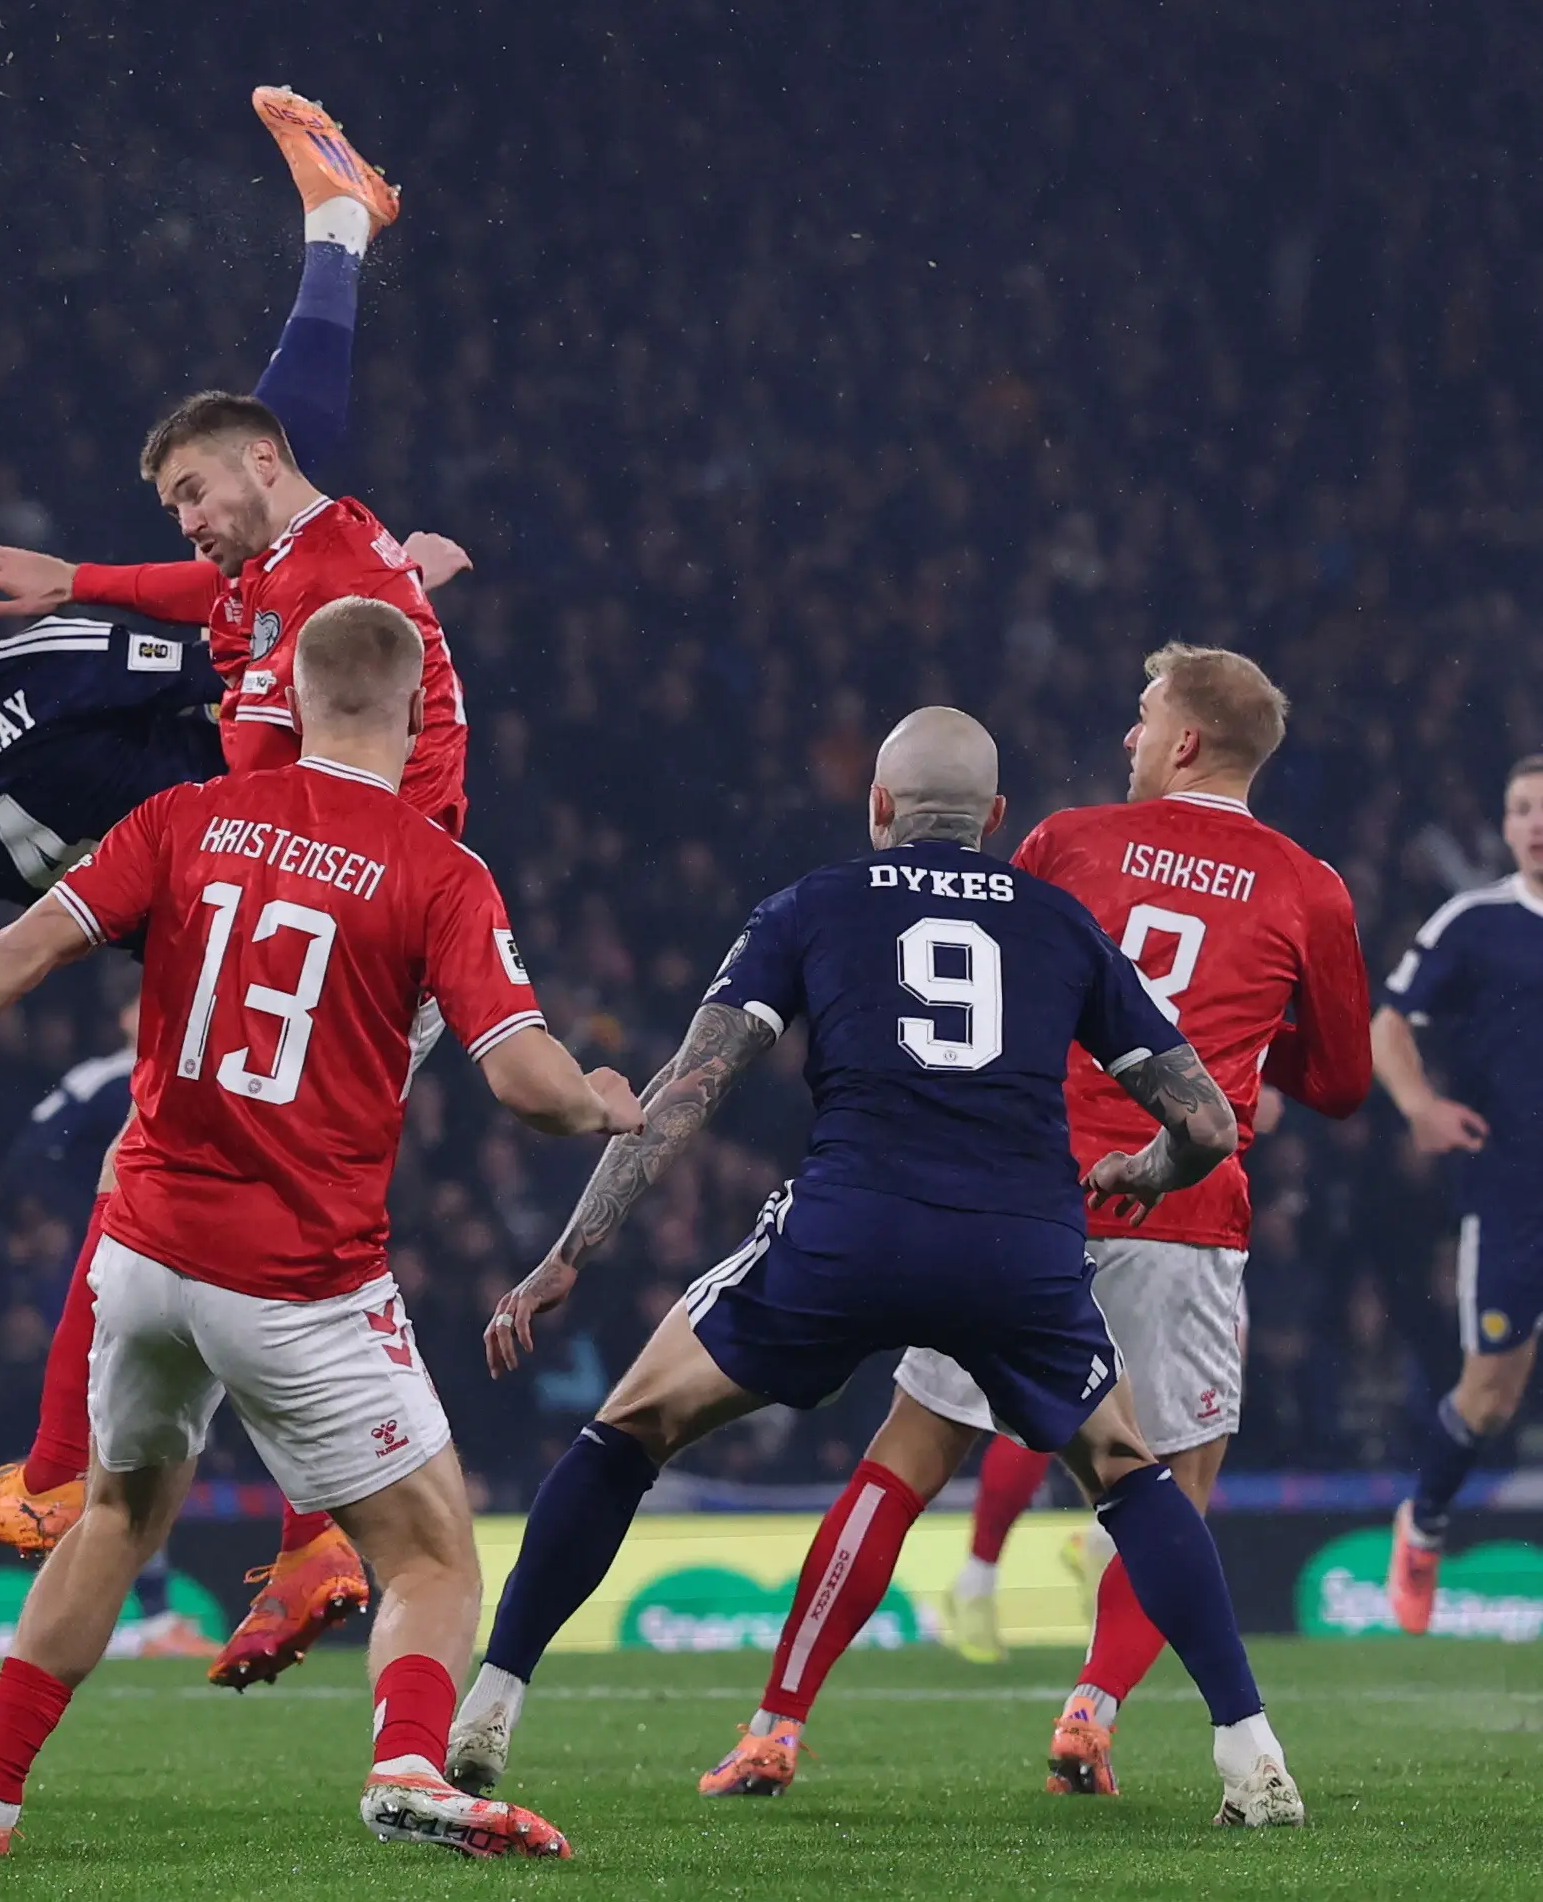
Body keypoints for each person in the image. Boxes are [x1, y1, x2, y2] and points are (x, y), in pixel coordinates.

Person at [0, 600, 641, 1860]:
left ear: (289, 694)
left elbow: (19, 950)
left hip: (143, 1254)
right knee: (432, 1556)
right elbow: (524, 1081)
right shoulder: (436, 868)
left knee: (116, 1517)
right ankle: (406, 1767)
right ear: (412, 708)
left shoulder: (186, 817)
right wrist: (599, 1098)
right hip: (295, 1277)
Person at [0, 90, 470, 1690]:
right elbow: (224, 593)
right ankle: (290, 1535)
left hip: (290, 903)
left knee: (190, 1202)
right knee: (213, 1213)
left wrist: (349, 598)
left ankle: (122, 1495)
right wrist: (143, 592)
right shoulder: (97, 645)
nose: (186, 528)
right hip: (287, 891)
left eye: (188, 498)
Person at [451, 707, 1307, 1830]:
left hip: (850, 1229)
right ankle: (1251, 1753)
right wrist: (1141, 1170)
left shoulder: (811, 904)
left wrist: (569, 1251)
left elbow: (688, 1089)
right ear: (997, 817)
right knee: (1125, 1470)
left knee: (632, 1425)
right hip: (1017, 1243)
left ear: (878, 807)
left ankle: (491, 1702)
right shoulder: (1058, 920)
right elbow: (1204, 1124)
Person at [674, 644, 1372, 1799]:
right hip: (1183, 1213)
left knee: (907, 1454)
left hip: (1028, 1197)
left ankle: (773, 1723)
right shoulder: (1309, 887)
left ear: (1184, 741)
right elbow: (1340, 1082)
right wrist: (1251, 1041)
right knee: (1164, 1487)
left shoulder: (1068, 840)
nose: (1127, 735)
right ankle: (1092, 1710)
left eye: (1142, 716)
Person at [1377, 752, 1543, 1631]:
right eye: (1521, 808)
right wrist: (1419, 1105)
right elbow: (1390, 1022)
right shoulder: (1476, 923)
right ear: (1505, 825)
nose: (1536, 823)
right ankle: (1425, 1521)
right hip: (1514, 1193)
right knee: (1490, 1396)